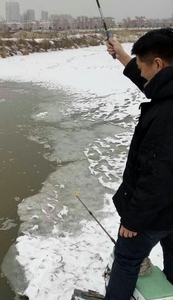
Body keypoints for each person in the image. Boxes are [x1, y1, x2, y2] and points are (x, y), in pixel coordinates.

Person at [104, 28, 173, 300]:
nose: (140, 74)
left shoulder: (166, 115)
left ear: (158, 64)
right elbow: (156, 85)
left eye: (142, 66)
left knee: (126, 259)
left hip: (154, 212)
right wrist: (122, 55)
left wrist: (133, 220)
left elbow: (159, 175)